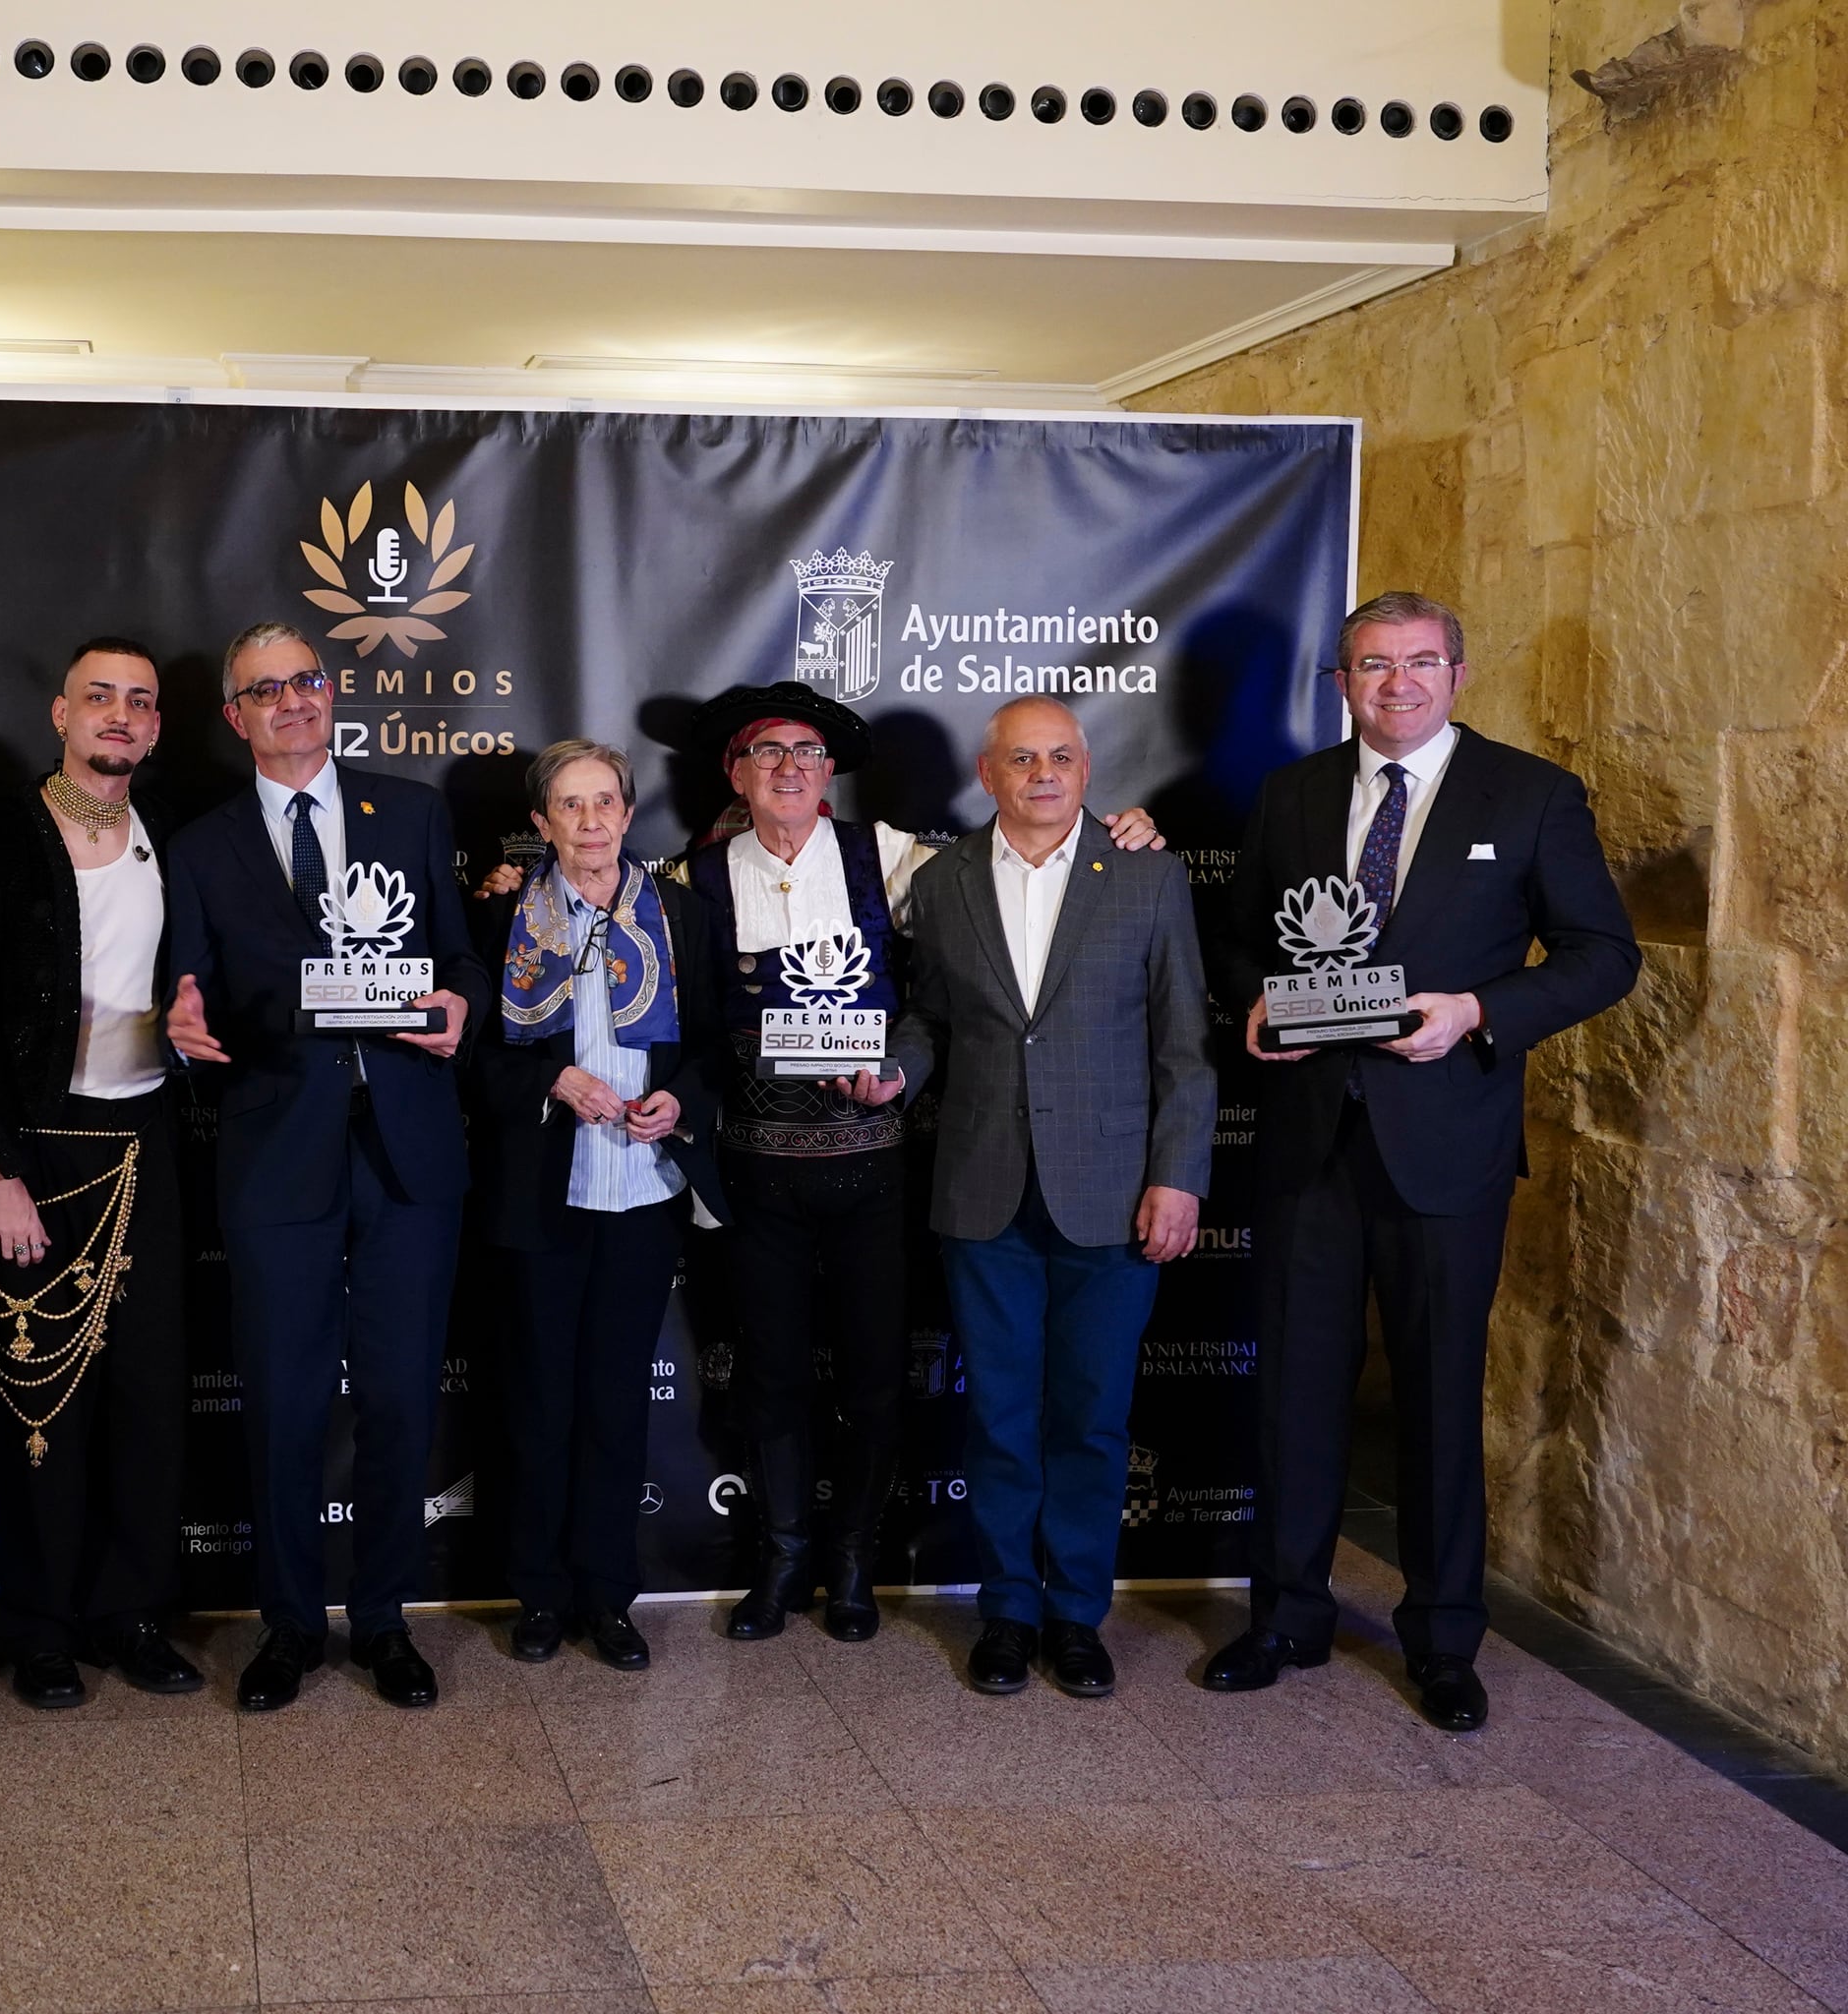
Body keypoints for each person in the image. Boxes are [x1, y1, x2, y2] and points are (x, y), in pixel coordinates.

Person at [1203, 592, 1639, 1732]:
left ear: (1457, 671)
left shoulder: (1531, 794)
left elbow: (1604, 953)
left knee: (1442, 1395)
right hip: (1310, 1139)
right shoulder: (1294, 792)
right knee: (1294, 1392)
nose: (1396, 684)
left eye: (1418, 663)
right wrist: (1252, 1000)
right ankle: (1287, 1614)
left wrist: (1480, 1008)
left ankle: (1444, 1638)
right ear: (1342, 680)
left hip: (1449, 1144)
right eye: (1371, 665)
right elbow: (1244, 932)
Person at [675, 681, 1162, 1644]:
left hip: (872, 1173)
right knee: (769, 1376)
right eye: (766, 752)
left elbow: (1018, 860)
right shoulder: (687, 877)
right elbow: (601, 905)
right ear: (736, 771)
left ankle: (853, 1564)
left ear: (829, 773)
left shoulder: (893, 856)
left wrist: (1120, 828)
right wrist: (512, 890)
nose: (788, 768)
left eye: (806, 753)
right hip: (756, 1172)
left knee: (871, 1378)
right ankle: (782, 1558)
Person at [164, 621, 491, 1712]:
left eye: (307, 680)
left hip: (407, 1146)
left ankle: (387, 1618)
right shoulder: (201, 844)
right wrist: (184, 1016)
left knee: (401, 1398)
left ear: (329, 691)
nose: (293, 700)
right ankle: (292, 1623)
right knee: (285, 1404)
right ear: (235, 716)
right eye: (266, 689)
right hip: (275, 1150)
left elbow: (458, 961)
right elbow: (188, 987)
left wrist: (460, 1005)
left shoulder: (409, 809)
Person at [891, 697, 1215, 1699]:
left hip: (1113, 1195)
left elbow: (1185, 1048)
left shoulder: (1151, 878)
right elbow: (930, 1022)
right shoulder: (941, 881)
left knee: (1089, 1413)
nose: (1042, 772)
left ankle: (1076, 1614)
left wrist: (1178, 1175)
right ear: (987, 774)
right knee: (996, 1414)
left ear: (1086, 767)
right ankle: (1007, 1611)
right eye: (1021, 757)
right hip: (983, 1192)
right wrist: (892, 1072)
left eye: (1061, 756)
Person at [0, 642, 201, 1710]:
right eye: (101, 697)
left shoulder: (173, 834)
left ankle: (129, 1612)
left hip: (150, 1143)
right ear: (60, 713)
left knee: (147, 1396)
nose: (120, 715)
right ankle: (40, 1626)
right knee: (40, 1399)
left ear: (158, 725)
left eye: (140, 701)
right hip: (37, 1147)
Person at [469, 740, 727, 1671]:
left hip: (644, 1191)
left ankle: (608, 1596)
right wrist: (554, 1080)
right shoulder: (502, 918)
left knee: (616, 1404)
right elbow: (475, 1057)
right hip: (543, 1194)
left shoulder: (684, 917)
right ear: (541, 823)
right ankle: (540, 1594)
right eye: (568, 807)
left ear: (627, 814)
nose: (589, 822)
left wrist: (681, 1102)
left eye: (604, 803)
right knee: (540, 1402)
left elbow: (714, 1045)